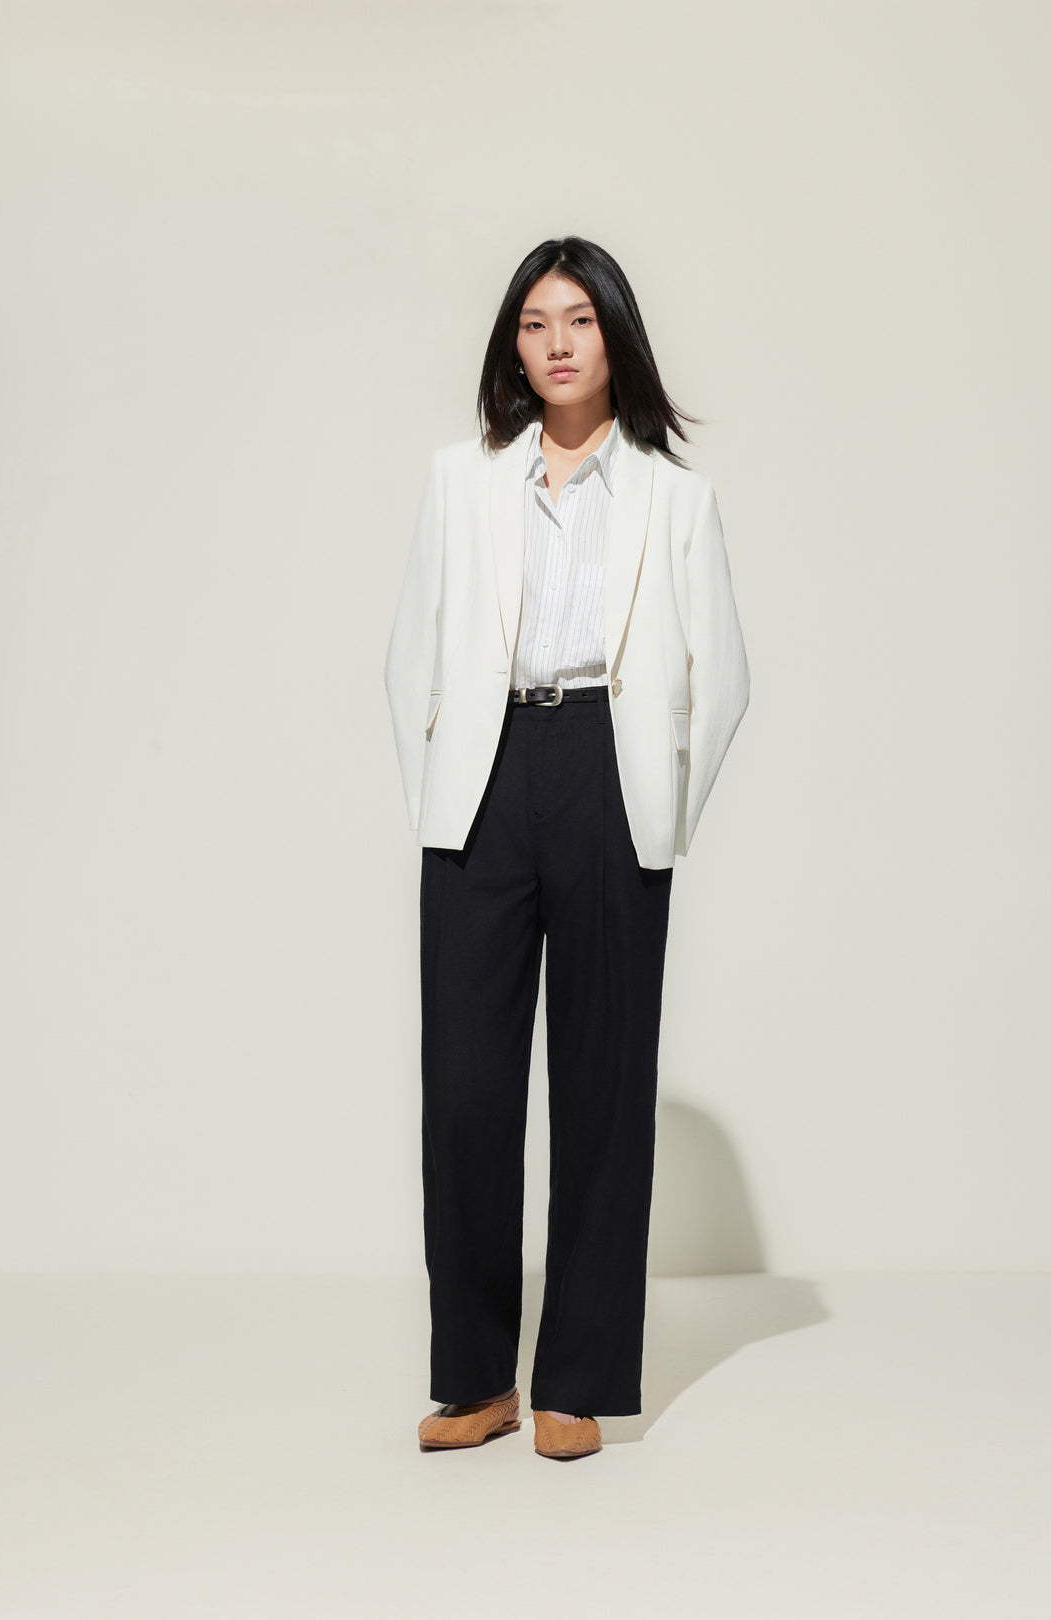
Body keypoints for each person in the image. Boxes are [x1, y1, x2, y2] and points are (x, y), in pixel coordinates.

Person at [383, 236, 750, 1461]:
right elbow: (411, 654)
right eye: (535, 322)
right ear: (514, 343)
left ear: (615, 336)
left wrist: (661, 814)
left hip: (608, 772)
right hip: (484, 778)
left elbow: (723, 678)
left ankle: (576, 1381)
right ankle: (474, 1379)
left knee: (602, 1088)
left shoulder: (674, 497)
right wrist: (442, 794)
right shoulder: (461, 480)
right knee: (466, 1090)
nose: (556, 343)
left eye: (579, 320)